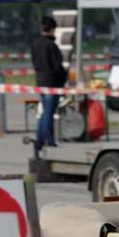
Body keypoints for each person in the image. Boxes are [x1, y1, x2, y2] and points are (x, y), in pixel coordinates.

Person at [31, 17, 68, 151]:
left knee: (45, 111)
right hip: (52, 82)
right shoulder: (51, 45)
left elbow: (34, 62)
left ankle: (40, 139)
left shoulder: (35, 43)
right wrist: (63, 79)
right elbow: (57, 66)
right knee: (48, 112)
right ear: (53, 29)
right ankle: (48, 139)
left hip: (40, 80)